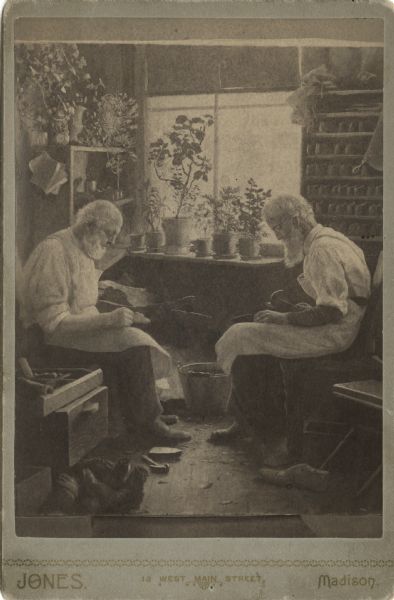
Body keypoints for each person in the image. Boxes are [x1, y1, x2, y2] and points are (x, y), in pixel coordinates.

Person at [213, 194, 371, 458]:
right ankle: (246, 421)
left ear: (296, 220)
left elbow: (332, 311)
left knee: (240, 334)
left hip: (337, 333)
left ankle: (260, 429)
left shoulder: (322, 249)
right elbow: (335, 302)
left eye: (279, 227)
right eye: (273, 228)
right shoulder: (329, 237)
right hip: (340, 323)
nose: (277, 236)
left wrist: (285, 319)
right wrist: (302, 312)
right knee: (245, 335)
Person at [19, 200, 191, 442]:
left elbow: (82, 303)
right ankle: (148, 423)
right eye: (108, 234)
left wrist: (118, 315)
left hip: (73, 333)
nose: (110, 242)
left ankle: (147, 414)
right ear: (90, 226)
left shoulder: (83, 247)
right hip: (50, 341)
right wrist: (109, 320)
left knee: (136, 335)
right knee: (134, 345)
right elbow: (52, 322)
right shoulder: (54, 251)